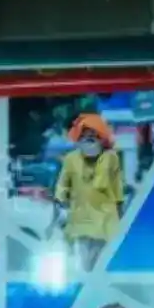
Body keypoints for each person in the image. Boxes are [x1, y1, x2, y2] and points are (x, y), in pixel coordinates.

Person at [53, 113, 124, 271]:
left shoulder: (111, 158)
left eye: (93, 135)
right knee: (83, 267)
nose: (88, 139)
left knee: (102, 267)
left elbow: (117, 191)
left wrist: (121, 218)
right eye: (84, 135)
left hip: (106, 223)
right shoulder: (71, 159)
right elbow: (62, 187)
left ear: (101, 137)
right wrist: (60, 208)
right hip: (81, 222)